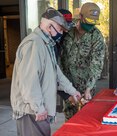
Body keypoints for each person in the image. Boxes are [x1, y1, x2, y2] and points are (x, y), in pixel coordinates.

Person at [10, 7, 81, 136]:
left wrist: (72, 91)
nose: (61, 33)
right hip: (31, 111)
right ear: (49, 27)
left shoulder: (46, 44)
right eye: (60, 29)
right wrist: (38, 108)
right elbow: (28, 81)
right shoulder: (34, 44)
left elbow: (56, 72)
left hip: (38, 109)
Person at [58, 3, 105, 120]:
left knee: (85, 117)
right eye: (88, 20)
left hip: (85, 86)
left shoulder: (96, 36)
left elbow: (96, 64)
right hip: (67, 83)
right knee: (69, 116)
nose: (91, 25)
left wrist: (89, 88)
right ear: (80, 16)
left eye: (94, 22)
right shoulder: (67, 30)